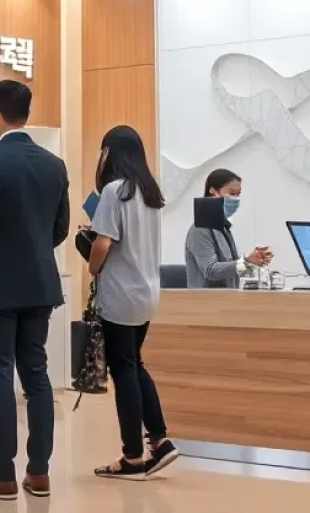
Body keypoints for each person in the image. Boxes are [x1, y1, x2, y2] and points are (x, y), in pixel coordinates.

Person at [0, 80, 70, 500]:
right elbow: (58, 228)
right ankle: (39, 473)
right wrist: (33, 252)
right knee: (37, 377)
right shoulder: (54, 164)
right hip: (40, 285)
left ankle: (2, 473)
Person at [86, 125, 176, 481]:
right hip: (146, 293)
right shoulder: (149, 192)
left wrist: (91, 264)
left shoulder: (113, 191)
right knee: (135, 364)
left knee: (123, 371)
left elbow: (103, 244)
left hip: (120, 294)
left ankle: (132, 456)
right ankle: (160, 440)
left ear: (110, 153)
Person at [184, 170, 271, 289]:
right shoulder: (200, 229)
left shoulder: (223, 228)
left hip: (228, 300)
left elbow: (232, 270)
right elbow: (211, 271)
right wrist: (246, 261)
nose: (235, 199)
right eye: (231, 193)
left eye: (238, 194)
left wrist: (251, 264)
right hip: (207, 303)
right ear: (213, 191)